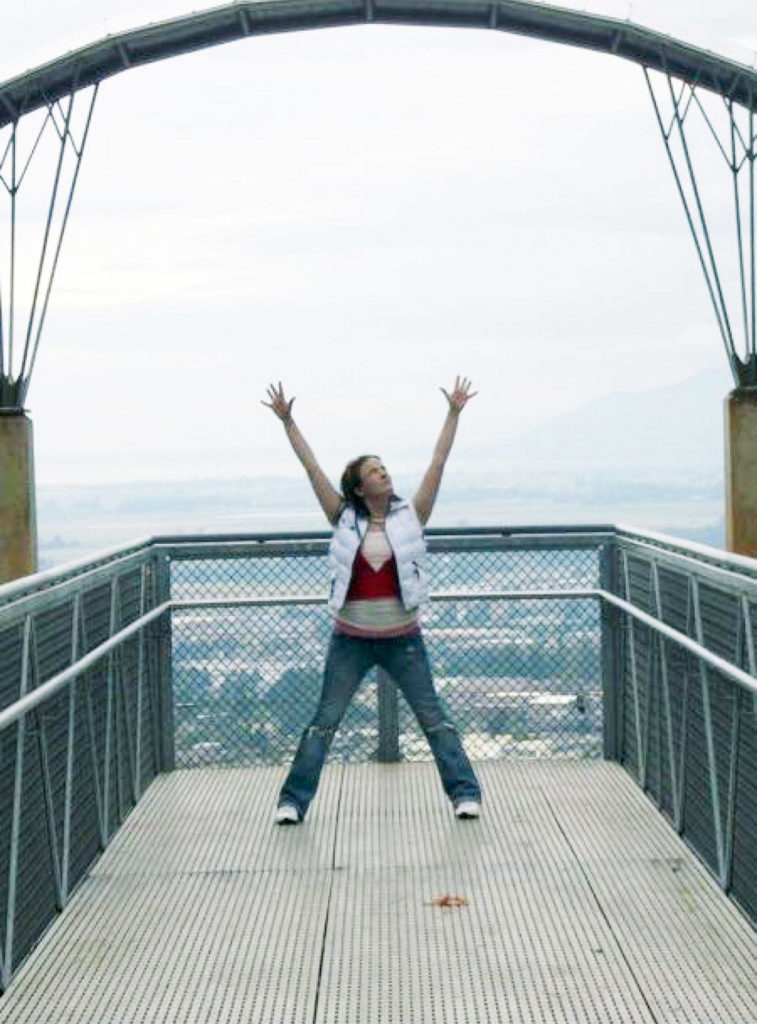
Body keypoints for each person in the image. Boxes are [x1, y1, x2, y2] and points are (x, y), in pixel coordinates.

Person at [262, 377, 482, 824]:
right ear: (360, 488)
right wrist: (289, 422)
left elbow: (438, 463)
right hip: (351, 640)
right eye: (375, 471)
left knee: (434, 721)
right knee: (324, 722)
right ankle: (292, 802)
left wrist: (453, 414)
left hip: (403, 639)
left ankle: (465, 794)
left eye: (385, 468)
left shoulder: (411, 515)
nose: (385, 473)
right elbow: (312, 469)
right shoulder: (341, 515)